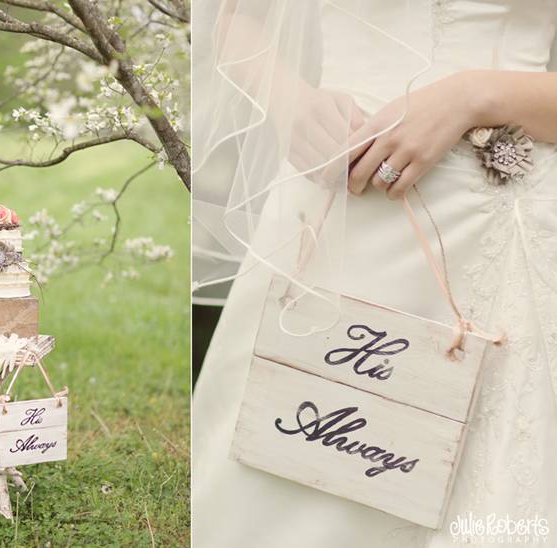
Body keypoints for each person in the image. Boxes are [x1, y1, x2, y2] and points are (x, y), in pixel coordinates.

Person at [192, 1, 557, 546]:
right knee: (285, 471)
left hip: (503, 223)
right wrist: (288, 101)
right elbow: (233, 16)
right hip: (332, 190)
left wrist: (476, 94)